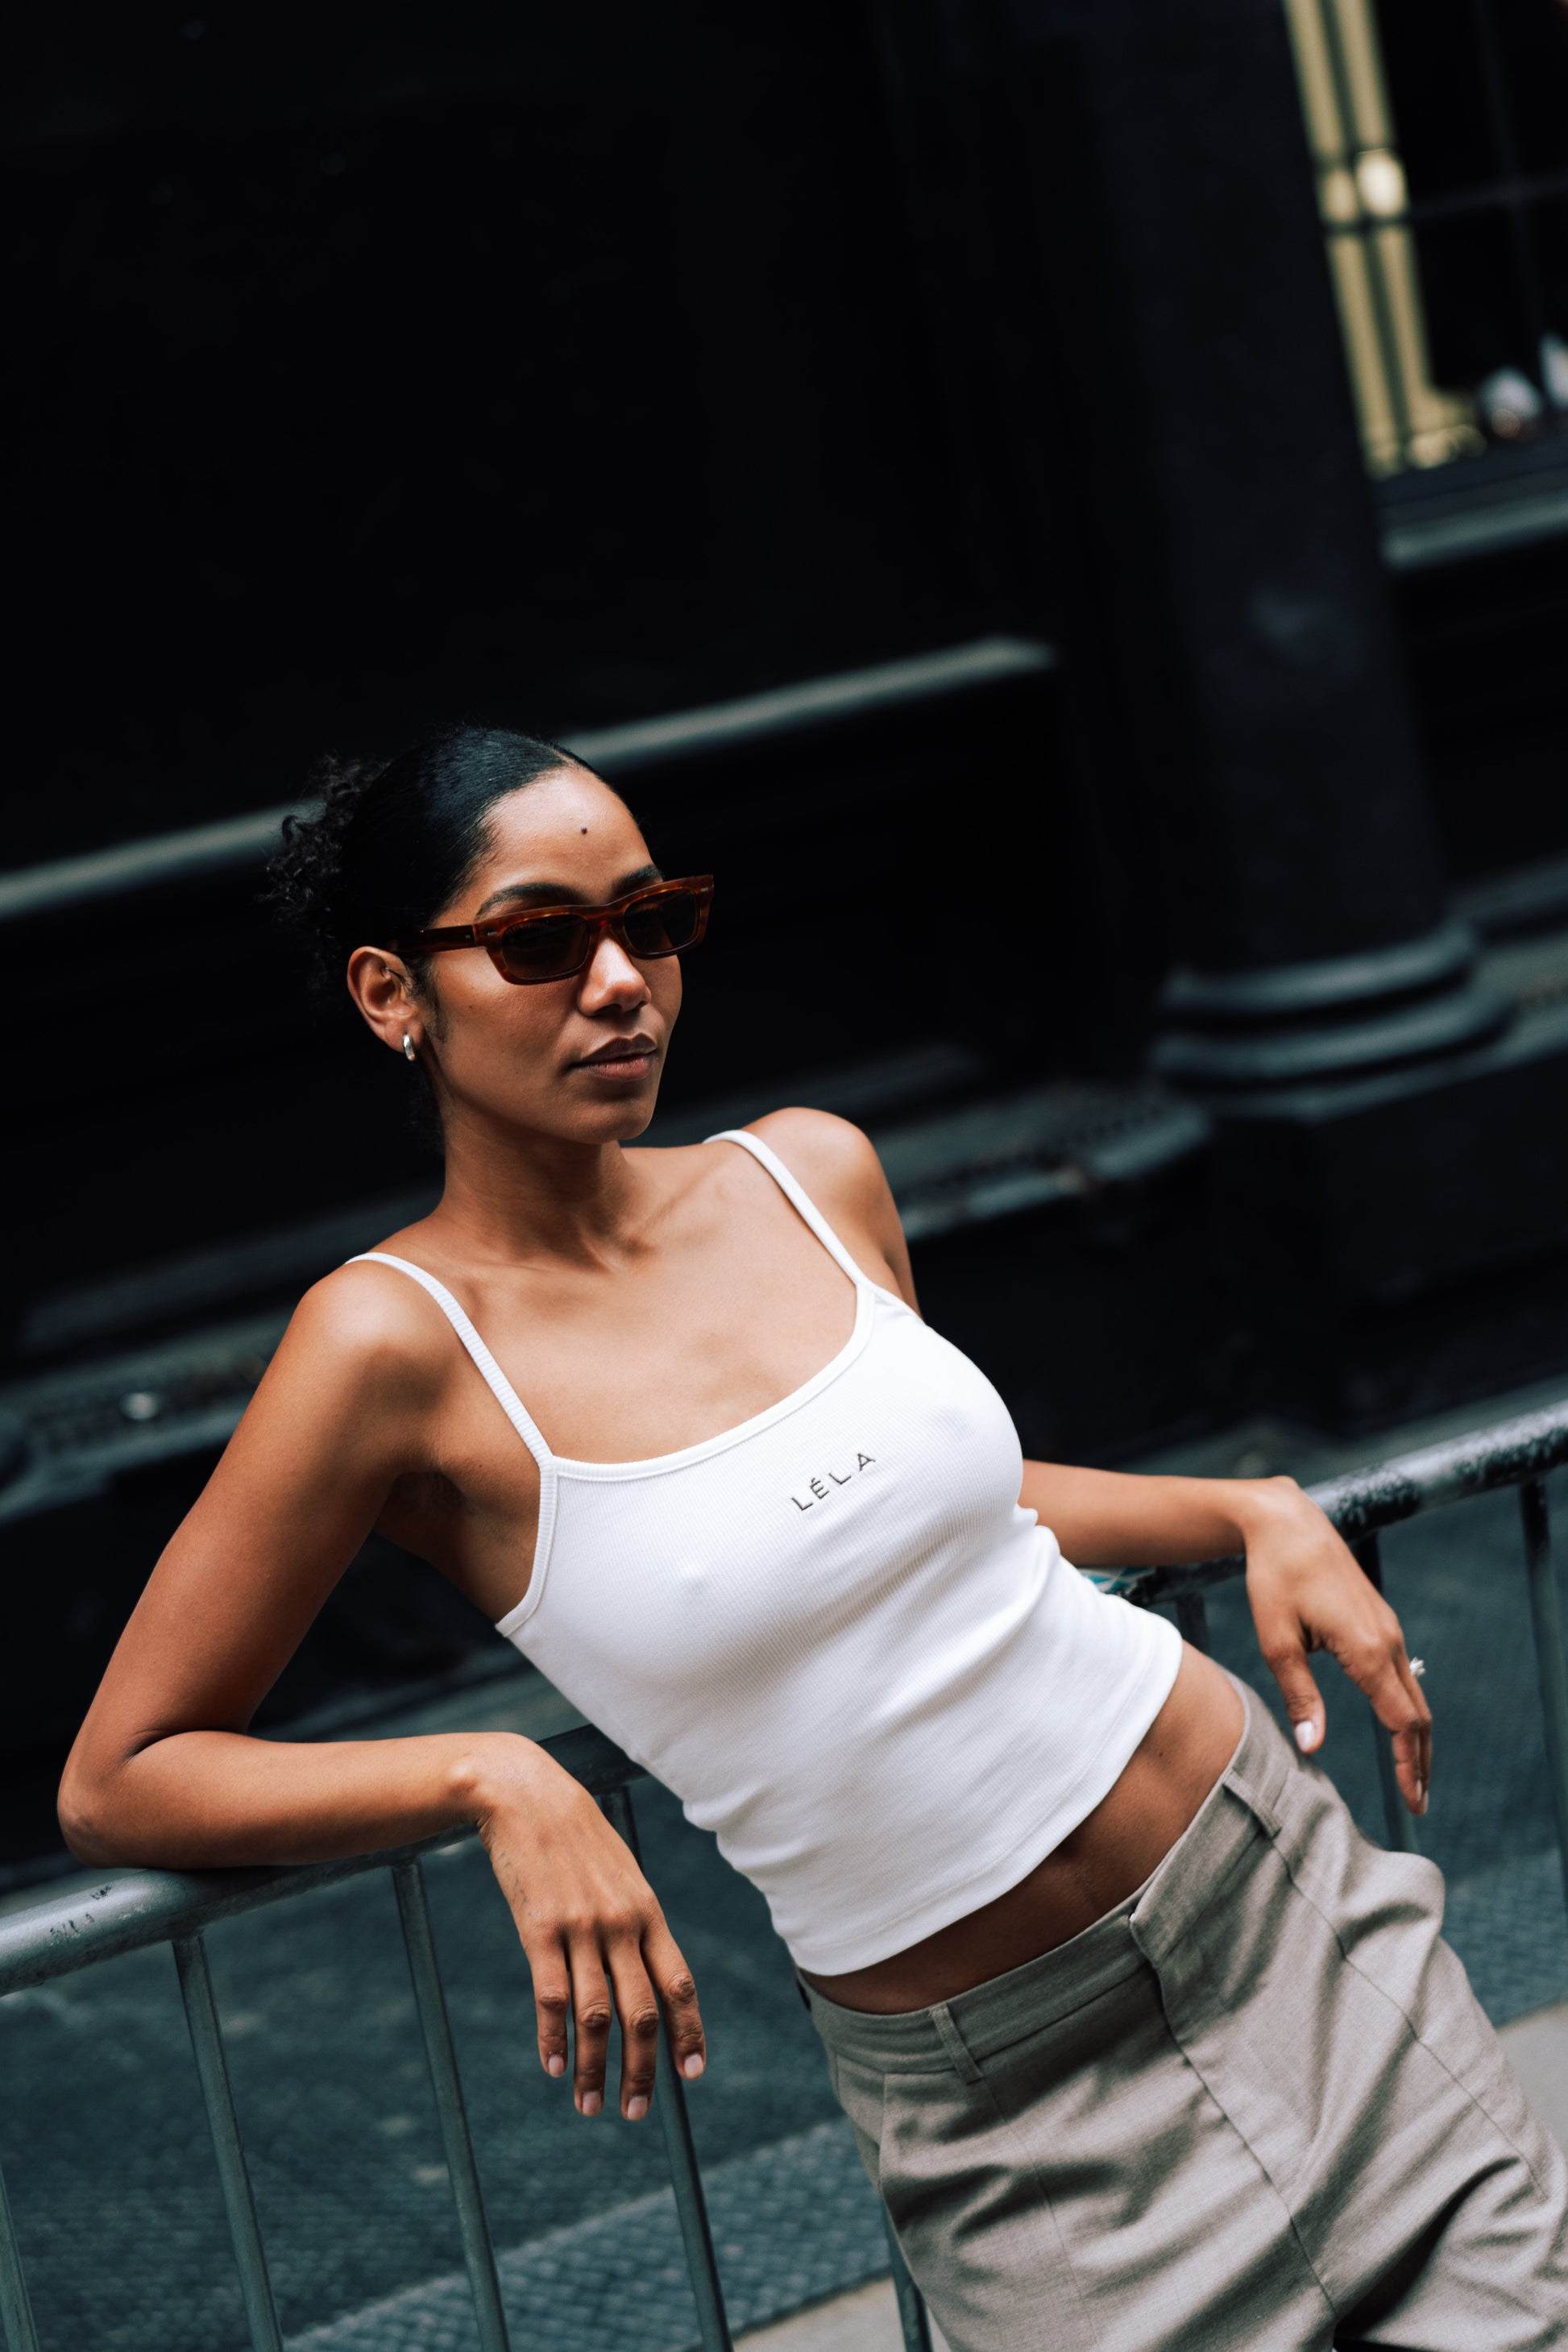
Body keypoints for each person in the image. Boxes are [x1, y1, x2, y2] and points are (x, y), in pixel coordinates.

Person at [60, 728, 1566, 2349]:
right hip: (1018, 2118)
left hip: (1283, 1906)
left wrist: (1246, 1504)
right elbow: (124, 1768)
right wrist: (491, 1773)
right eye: (539, 938)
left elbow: (932, 1520)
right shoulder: (387, 1347)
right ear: (389, 992)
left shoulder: (806, 1171)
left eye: (651, 919)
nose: (622, 979)